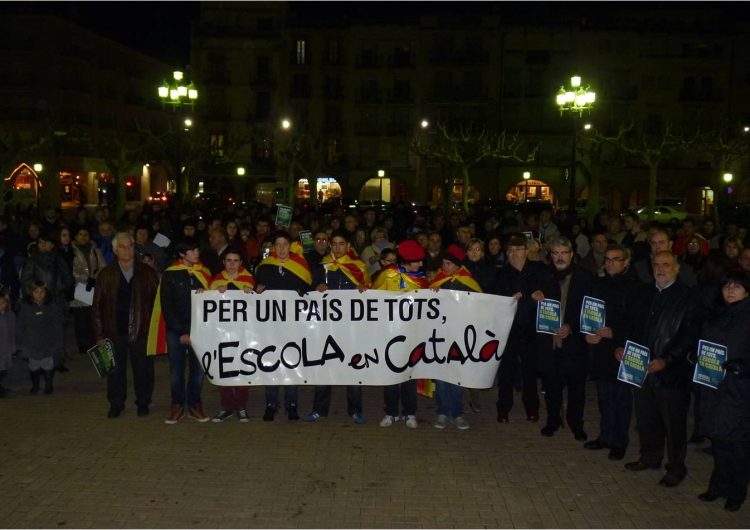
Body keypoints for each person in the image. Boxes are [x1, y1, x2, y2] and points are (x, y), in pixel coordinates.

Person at [620, 250, 700, 488]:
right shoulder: (643, 292)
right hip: (641, 368)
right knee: (646, 418)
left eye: (666, 264)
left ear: (677, 268)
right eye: (656, 265)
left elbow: (689, 336)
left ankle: (676, 467)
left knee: (674, 424)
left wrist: (666, 359)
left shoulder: (687, 297)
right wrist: (621, 347)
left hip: (671, 374)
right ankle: (650, 457)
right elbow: (630, 324)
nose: (661, 269)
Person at [696, 272, 750, 512]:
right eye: (727, 285)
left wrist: (743, 367)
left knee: (737, 445)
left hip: (739, 391)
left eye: (737, 286)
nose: (730, 290)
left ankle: (736, 492)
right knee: (719, 442)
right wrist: (694, 357)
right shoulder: (717, 314)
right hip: (714, 387)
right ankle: (717, 486)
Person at [304, 230, 370, 425]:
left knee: (353, 367)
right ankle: (319, 409)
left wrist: (363, 289)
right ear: (330, 246)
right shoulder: (322, 266)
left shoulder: (358, 266)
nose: (338, 247)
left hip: (351, 326)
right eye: (334, 244)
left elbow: (367, 288)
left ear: (348, 246)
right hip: (327, 326)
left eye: (342, 243)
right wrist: (317, 287)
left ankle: (356, 410)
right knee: (324, 367)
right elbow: (310, 286)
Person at [531, 236, 594, 440]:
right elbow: (531, 309)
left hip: (574, 343)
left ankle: (576, 423)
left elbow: (590, 310)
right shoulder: (542, 276)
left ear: (572, 255)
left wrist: (572, 327)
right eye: (555, 253)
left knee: (577, 387)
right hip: (549, 343)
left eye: (564, 253)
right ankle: (552, 420)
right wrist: (535, 298)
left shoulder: (585, 277)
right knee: (551, 385)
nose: (560, 257)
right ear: (550, 255)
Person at [92, 232, 159, 418]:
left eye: (130, 246)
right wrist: (99, 335)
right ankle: (116, 403)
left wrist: (155, 332)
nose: (127, 250)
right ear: (115, 250)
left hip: (142, 331)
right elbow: (97, 306)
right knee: (114, 371)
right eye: (122, 247)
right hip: (113, 331)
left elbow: (158, 304)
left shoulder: (148, 273)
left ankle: (143, 402)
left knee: (144, 370)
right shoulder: (106, 275)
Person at [583, 244, 641, 460]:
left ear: (626, 262)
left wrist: (615, 334)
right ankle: (605, 436)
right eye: (607, 259)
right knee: (604, 395)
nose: (610, 263)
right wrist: (587, 333)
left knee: (622, 398)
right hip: (601, 349)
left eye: (616, 259)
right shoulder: (597, 284)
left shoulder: (635, 288)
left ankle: (619, 441)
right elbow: (588, 314)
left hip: (622, 349)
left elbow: (637, 323)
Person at [149, 238, 213, 424]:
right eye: (192, 251)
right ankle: (177, 404)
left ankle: (194, 404)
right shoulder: (170, 274)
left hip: (200, 330)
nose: (196, 253)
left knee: (198, 370)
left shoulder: (204, 273)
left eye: (196, 249)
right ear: (181, 254)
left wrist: (208, 293)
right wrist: (182, 331)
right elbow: (167, 306)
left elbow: (213, 301)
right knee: (176, 370)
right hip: (176, 331)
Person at [254, 230, 312, 421]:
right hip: (270, 325)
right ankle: (271, 404)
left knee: (291, 363)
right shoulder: (264, 266)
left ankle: (292, 404)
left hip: (293, 326)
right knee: (270, 362)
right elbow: (257, 291)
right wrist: (258, 289)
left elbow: (308, 292)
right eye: (277, 245)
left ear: (291, 246)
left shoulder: (300, 266)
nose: (281, 249)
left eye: (284, 244)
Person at [372, 239, 428, 429]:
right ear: (406, 262)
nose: (421, 264)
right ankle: (391, 412)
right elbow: (373, 298)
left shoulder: (422, 280)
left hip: (413, 334)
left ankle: (410, 413)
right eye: (417, 261)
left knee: (410, 376)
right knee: (391, 376)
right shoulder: (387, 275)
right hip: (390, 334)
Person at [496, 235, 550, 423]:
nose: (514, 254)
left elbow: (550, 293)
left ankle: (532, 408)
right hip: (509, 331)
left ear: (527, 251)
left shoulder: (539, 271)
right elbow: (494, 301)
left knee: (530, 372)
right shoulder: (501, 274)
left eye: (518, 249)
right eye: (510, 250)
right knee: (506, 373)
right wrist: (509, 299)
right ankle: (503, 409)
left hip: (531, 330)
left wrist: (537, 296)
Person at [429, 244, 482, 430]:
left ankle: (457, 412)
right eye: (443, 263)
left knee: (458, 375)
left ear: (458, 265)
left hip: (460, 335)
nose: (445, 267)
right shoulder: (438, 280)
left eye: (449, 264)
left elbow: (480, 305)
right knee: (442, 376)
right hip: (441, 334)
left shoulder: (468, 281)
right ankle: (443, 412)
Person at [209, 248, 256, 423]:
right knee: (225, 368)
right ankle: (227, 406)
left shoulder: (249, 279)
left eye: (235, 261)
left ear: (241, 263)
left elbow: (255, 302)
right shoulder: (216, 280)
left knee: (242, 366)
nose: (232, 264)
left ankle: (241, 406)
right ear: (224, 263)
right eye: (228, 260)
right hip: (223, 332)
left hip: (243, 332)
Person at [20, 230, 74, 373]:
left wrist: (62, 289)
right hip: (39, 301)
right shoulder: (32, 260)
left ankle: (57, 360)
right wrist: (34, 295)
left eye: (47, 243)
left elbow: (68, 277)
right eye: (41, 243)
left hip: (57, 300)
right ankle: (40, 360)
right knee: (40, 331)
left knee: (57, 330)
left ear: (52, 245)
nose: (44, 245)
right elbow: (25, 281)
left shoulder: (59, 259)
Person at [17, 281, 59, 394]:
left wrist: (58, 342)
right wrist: (20, 342)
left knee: (47, 364)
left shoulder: (51, 306)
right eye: (36, 292)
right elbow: (20, 325)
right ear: (31, 293)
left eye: (42, 291)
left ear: (46, 292)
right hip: (31, 342)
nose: (39, 294)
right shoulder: (26, 307)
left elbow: (57, 325)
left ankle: (49, 385)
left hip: (47, 341)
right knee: (33, 365)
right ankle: (35, 385)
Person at [70, 226, 105, 354]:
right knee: (81, 318)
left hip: (95, 286)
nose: (83, 237)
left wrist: (95, 277)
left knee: (94, 315)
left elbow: (102, 265)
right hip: (79, 287)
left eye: (86, 234)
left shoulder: (96, 250)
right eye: (80, 234)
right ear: (76, 236)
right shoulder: (71, 250)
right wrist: (86, 278)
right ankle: (83, 344)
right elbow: (71, 270)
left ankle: (94, 342)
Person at [0, 291, 15, 398]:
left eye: (3, 302)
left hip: (6, 348)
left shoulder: (10, 315)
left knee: (4, 369)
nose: (1, 305)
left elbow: (13, 332)